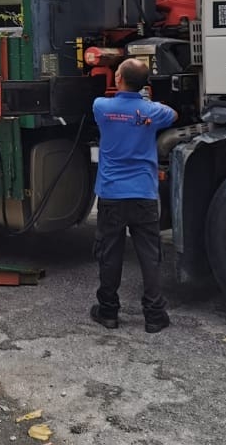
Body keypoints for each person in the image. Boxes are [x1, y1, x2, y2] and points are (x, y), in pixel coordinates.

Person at [89, 57, 177, 334]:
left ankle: (108, 312)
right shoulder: (151, 111)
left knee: (110, 255)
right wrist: (148, 106)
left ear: (118, 79)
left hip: (112, 194)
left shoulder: (101, 107)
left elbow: (107, 110)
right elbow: (173, 114)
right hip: (143, 194)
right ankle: (154, 315)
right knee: (149, 257)